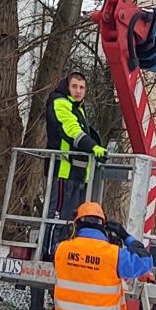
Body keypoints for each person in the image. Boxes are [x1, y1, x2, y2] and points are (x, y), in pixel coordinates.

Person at [44, 70, 107, 223]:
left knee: (71, 223)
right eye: (74, 86)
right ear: (67, 86)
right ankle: (51, 248)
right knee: (56, 221)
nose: (78, 91)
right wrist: (93, 146)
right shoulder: (60, 103)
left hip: (76, 174)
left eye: (82, 87)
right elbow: (72, 131)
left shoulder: (77, 106)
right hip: (62, 172)